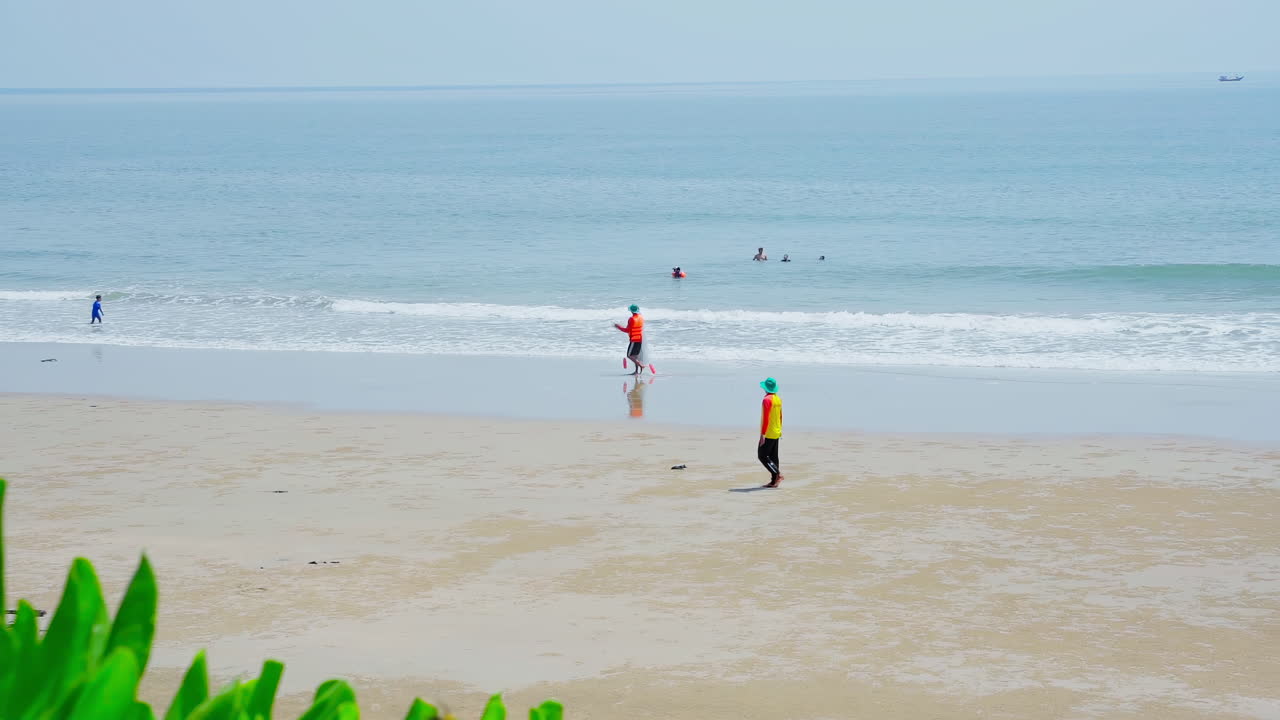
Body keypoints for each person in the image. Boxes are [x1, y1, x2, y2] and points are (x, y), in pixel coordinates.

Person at [758, 377, 784, 487]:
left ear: (765, 388)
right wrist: (779, 429)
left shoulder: (767, 400)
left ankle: (777, 474)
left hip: (768, 432)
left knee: (762, 455)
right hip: (776, 431)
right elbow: (780, 416)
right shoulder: (778, 399)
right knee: (773, 456)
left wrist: (763, 434)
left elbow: (766, 418)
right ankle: (774, 482)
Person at [614, 304, 645, 374]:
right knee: (635, 356)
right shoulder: (641, 317)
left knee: (629, 355)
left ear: (631, 311)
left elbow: (627, 330)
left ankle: (641, 366)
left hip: (634, 339)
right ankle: (636, 371)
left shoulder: (631, 319)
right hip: (640, 339)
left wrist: (618, 327)